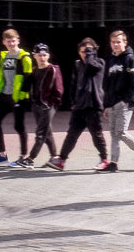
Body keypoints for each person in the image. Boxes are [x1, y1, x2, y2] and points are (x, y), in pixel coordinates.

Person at [46, 38, 108, 172]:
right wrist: (73, 102)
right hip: (80, 107)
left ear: (93, 51)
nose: (84, 54)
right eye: (82, 51)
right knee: (72, 134)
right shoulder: (77, 64)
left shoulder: (99, 62)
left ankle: (104, 159)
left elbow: (92, 65)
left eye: (88, 51)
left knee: (96, 135)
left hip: (94, 106)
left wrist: (89, 54)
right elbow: (73, 84)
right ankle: (61, 160)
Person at [100, 30, 134, 173]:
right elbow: (107, 85)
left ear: (124, 43)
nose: (115, 45)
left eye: (118, 42)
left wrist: (124, 101)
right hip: (112, 103)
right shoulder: (111, 60)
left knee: (121, 132)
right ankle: (113, 163)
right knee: (114, 133)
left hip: (125, 103)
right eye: (113, 42)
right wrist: (107, 105)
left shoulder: (130, 59)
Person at [0, 28, 32, 166]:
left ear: (18, 41)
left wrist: (21, 97)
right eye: (8, 41)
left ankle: (23, 157)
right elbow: (2, 75)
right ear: (4, 42)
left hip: (17, 97)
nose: (11, 44)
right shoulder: (4, 56)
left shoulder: (24, 57)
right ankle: (2, 156)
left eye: (13, 41)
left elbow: (28, 79)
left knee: (19, 126)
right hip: (3, 95)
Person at [16, 43, 62, 168]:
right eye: (39, 55)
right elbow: (25, 87)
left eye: (44, 55)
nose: (42, 58)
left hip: (48, 106)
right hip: (37, 106)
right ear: (34, 56)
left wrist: (51, 104)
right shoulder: (34, 71)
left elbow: (59, 90)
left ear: (48, 55)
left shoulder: (53, 69)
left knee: (40, 133)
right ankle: (54, 158)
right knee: (47, 132)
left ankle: (30, 159)